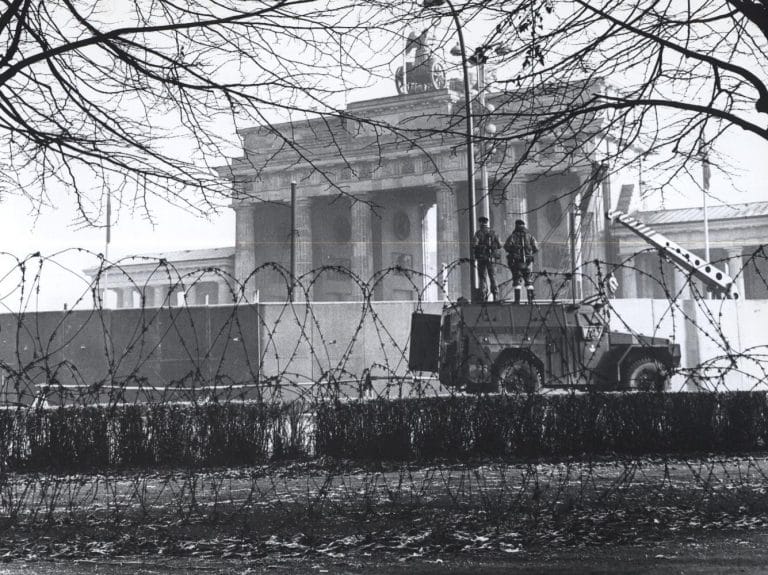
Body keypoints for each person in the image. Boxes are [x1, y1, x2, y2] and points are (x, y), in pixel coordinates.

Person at [504, 219, 539, 304]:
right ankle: (530, 300)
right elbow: (536, 248)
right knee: (528, 281)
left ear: (516, 226)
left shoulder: (513, 236)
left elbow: (506, 247)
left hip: (516, 262)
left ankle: (517, 301)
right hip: (527, 263)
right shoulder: (530, 236)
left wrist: (513, 252)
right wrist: (529, 254)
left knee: (517, 280)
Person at [472, 216, 501, 302]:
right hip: (491, 258)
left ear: (480, 223)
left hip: (481, 259)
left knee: (482, 278)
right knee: (493, 277)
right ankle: (496, 295)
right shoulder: (494, 233)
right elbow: (499, 245)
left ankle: (483, 296)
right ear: (487, 223)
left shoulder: (478, 233)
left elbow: (474, 245)